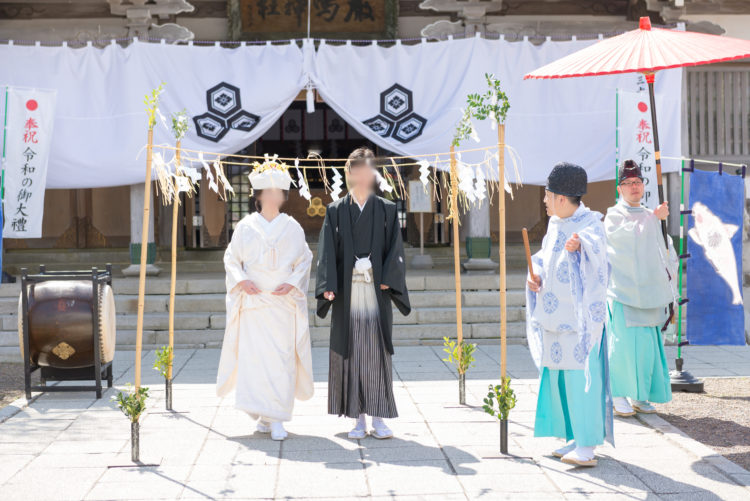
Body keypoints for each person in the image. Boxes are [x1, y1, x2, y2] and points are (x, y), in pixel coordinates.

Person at [316, 147, 410, 440]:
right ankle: (357, 419)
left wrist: (389, 278)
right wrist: (327, 285)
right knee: (352, 353)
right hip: (348, 292)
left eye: (367, 170)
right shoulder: (335, 210)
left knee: (376, 352)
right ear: (350, 174)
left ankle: (380, 418)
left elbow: (395, 249)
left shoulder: (387, 209)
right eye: (356, 170)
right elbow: (327, 252)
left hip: (375, 290)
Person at [216, 158, 314, 441]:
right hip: (254, 304)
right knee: (255, 360)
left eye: (278, 190)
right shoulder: (246, 226)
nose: (274, 195)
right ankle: (263, 415)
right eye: (268, 190)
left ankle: (278, 416)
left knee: (281, 359)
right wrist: (241, 280)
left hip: (281, 304)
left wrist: (292, 282)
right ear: (258, 195)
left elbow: (304, 259)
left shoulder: (292, 226)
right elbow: (232, 259)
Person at [526, 162, 613, 467]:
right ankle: (574, 436)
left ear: (561, 198)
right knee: (562, 380)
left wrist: (582, 247)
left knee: (581, 381)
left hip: (580, 323)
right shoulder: (555, 225)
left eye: (548, 196)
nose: (545, 201)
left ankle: (588, 445)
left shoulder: (591, 225)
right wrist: (534, 275)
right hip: (555, 318)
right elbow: (542, 259)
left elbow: (602, 261)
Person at [605, 160, 675, 417]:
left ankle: (641, 394)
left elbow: (663, 252)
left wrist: (655, 221)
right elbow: (622, 241)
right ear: (619, 188)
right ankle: (618, 393)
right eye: (628, 183)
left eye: (638, 182)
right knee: (623, 346)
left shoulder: (649, 213)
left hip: (649, 291)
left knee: (646, 348)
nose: (634, 187)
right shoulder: (614, 215)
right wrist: (652, 220)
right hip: (624, 292)